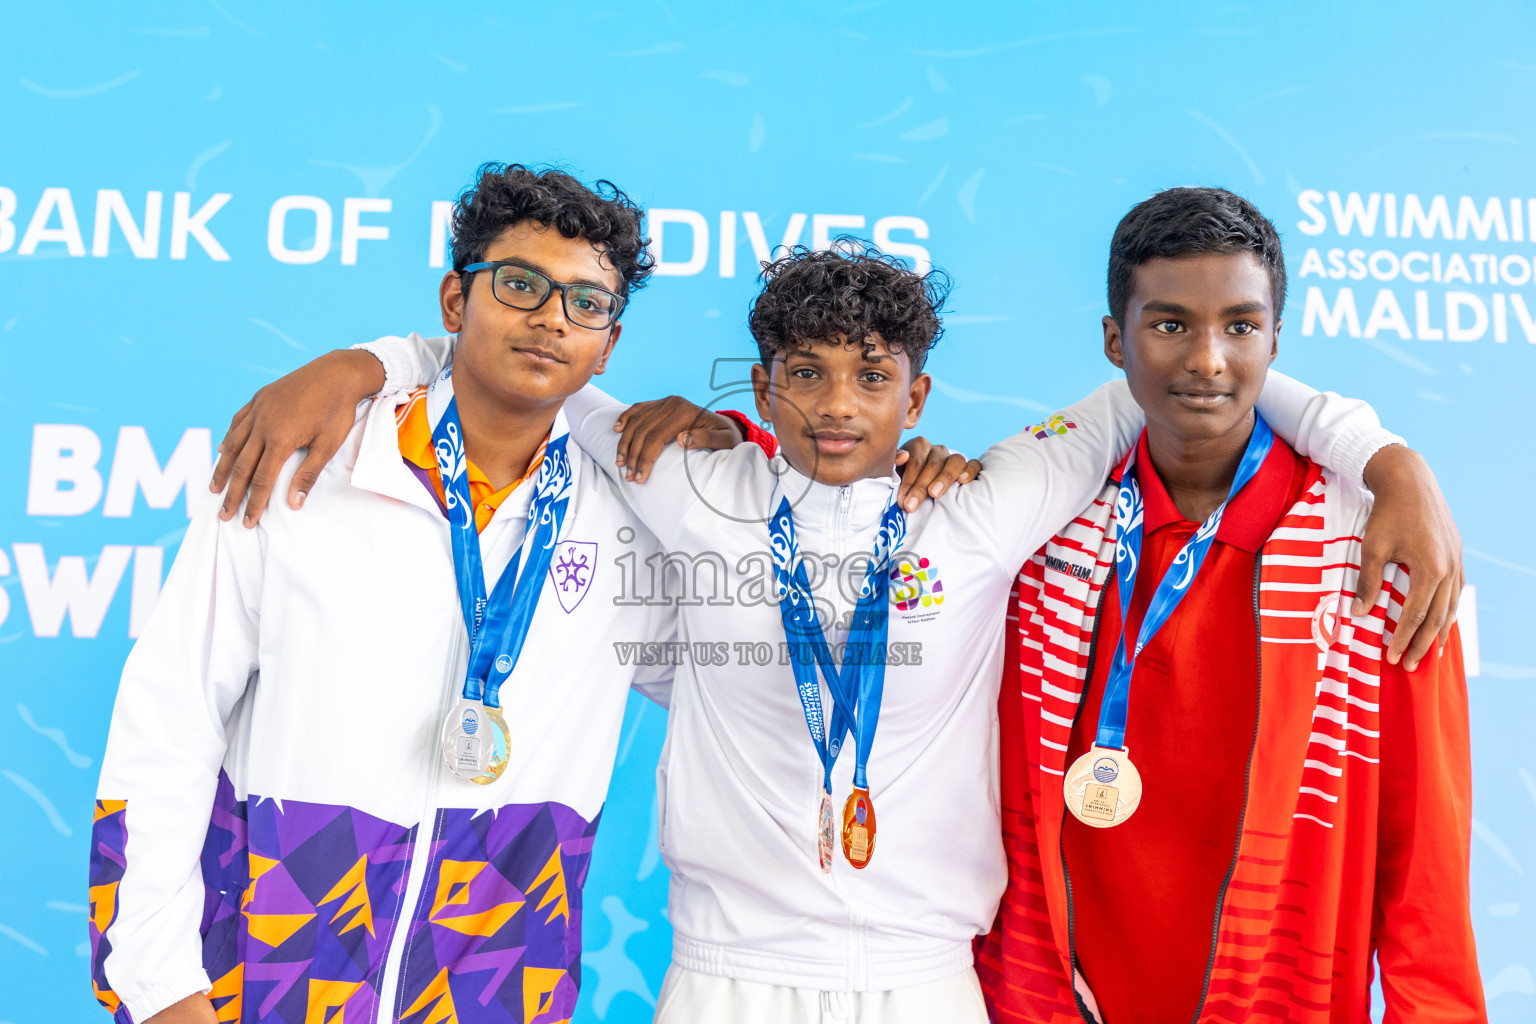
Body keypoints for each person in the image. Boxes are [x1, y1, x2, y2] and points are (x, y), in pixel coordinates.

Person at [231, 229, 1460, 1021]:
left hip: (927, 982)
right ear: (759, 386)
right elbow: (532, 374)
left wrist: (1383, 454)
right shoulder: (695, 482)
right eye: (805, 374)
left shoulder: (985, 504)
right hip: (722, 979)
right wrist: (375, 357)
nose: (836, 406)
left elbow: (1180, 371)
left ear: (917, 393)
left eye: (873, 377)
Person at [88, 164, 974, 1024]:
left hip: (496, 979)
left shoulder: (633, 512)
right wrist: (159, 983)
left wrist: (885, 475)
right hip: (268, 963)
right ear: (454, 300)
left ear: (608, 343)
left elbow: (767, 625)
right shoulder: (303, 464)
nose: (551, 320)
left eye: (585, 304)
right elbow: (166, 727)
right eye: (519, 285)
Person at [974, 188, 1483, 1024]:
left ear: (1277, 341)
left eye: (1241, 326)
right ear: (1114, 340)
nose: (1208, 358)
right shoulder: (1033, 538)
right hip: (1057, 997)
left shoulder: (1375, 548)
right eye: (1170, 325)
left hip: (1285, 996)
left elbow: (1425, 846)